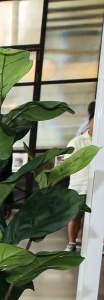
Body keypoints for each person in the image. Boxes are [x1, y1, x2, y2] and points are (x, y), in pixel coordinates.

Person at [67, 101, 95, 253]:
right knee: (75, 215)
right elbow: (68, 162)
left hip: (96, 185)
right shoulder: (78, 140)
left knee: (91, 215)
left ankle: (81, 239)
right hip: (79, 184)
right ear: (89, 121)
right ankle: (72, 242)